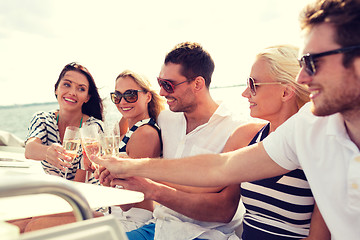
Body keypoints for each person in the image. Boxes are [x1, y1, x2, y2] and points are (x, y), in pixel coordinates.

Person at [92, 0, 360, 239]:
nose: (302, 77)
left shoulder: (308, 132)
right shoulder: (309, 127)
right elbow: (220, 167)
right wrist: (131, 168)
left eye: (313, 62)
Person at [105, 42, 244, 240]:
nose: (161, 92)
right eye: (159, 83)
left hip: (206, 235)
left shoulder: (234, 129)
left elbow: (224, 211)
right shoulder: (166, 118)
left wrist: (149, 186)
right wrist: (119, 161)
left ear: (197, 84)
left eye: (168, 85)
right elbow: (131, 119)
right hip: (158, 228)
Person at [222, 45, 329, 239]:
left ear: (285, 92)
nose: (245, 93)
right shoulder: (246, 137)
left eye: (253, 84)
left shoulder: (318, 148)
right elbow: (209, 176)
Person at [104, 69, 165, 231]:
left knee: (40, 226)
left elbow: (128, 202)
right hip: (117, 214)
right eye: (117, 96)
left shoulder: (144, 133)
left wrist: (106, 181)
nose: (122, 102)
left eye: (131, 95)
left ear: (148, 96)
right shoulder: (132, 126)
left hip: (133, 220)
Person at [25, 62, 103, 180]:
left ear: (87, 97)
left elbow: (81, 181)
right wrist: (47, 152)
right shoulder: (42, 119)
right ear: (56, 89)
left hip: (84, 193)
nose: (72, 92)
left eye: (81, 89)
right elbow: (30, 150)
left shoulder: (93, 127)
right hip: (56, 190)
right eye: (67, 84)